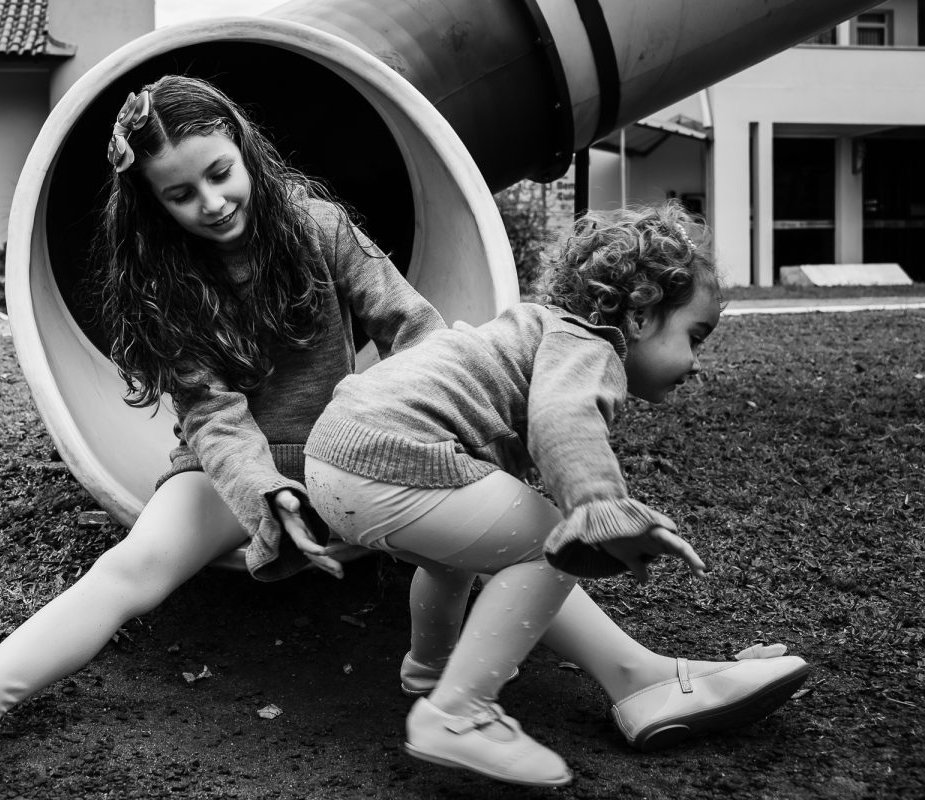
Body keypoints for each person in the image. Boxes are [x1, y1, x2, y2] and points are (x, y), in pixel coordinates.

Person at [0, 78, 803, 780]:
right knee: (134, 563)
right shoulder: (162, 284)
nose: (211, 203)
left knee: (519, 533)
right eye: (181, 194)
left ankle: (641, 677)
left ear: (243, 151)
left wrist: (459, 434)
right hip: (245, 468)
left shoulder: (313, 225)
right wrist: (262, 495)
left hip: (356, 445)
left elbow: (412, 326)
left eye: (220, 174)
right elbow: (214, 417)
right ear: (152, 203)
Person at [302, 202, 810, 787]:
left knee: (452, 559)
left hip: (333, 456)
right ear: (640, 314)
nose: (696, 364)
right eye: (695, 337)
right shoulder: (589, 345)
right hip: (395, 455)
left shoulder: (534, 329)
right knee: (552, 544)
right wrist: (598, 508)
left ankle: (432, 670)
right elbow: (561, 419)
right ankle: (458, 713)